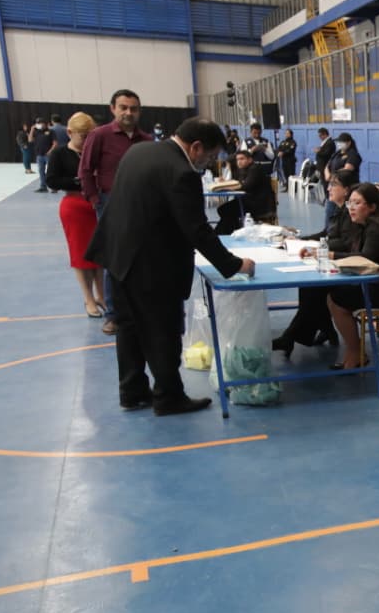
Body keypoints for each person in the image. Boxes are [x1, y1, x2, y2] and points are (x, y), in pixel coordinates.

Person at [85, 117, 255, 416]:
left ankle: (132, 390)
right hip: (151, 263)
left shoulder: (140, 151)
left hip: (118, 254)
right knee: (162, 330)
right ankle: (169, 397)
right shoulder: (181, 172)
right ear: (196, 147)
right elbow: (197, 229)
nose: (209, 163)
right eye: (211, 156)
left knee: (129, 329)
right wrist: (234, 264)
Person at [78, 89, 149, 336]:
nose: (129, 112)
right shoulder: (99, 136)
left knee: (141, 260)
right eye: (124, 107)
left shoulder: (146, 141)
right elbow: (85, 171)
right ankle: (113, 316)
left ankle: (140, 311)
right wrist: (96, 201)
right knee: (114, 261)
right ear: (113, 109)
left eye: (134, 108)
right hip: (109, 204)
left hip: (141, 206)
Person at [272, 168, 358, 356]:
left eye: (334, 184)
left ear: (346, 190)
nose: (329, 188)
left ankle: (290, 337)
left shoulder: (350, 213)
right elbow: (326, 234)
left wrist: (318, 247)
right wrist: (301, 240)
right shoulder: (337, 211)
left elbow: (345, 242)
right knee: (308, 285)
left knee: (313, 289)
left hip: (345, 265)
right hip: (332, 259)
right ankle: (327, 330)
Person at [327, 184, 379, 370]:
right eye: (350, 202)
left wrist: (331, 256)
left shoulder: (378, 228)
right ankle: (355, 349)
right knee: (332, 294)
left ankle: (355, 351)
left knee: (336, 299)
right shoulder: (365, 225)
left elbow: (366, 259)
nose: (351, 207)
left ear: (372, 207)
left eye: (357, 203)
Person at [47, 111, 105, 317]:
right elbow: (51, 181)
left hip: (97, 205)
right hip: (74, 207)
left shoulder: (96, 152)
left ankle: (102, 295)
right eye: (83, 136)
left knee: (101, 254)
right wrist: (78, 181)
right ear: (70, 133)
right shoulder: (59, 154)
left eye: (90, 136)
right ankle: (88, 298)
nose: (87, 140)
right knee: (81, 255)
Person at [214, 149, 274, 234]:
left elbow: (246, 186)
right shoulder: (244, 170)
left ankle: (220, 233)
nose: (239, 162)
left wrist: (229, 188)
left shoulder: (254, 169)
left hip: (258, 204)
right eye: (237, 159)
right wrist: (226, 183)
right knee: (224, 210)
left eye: (242, 159)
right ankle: (227, 231)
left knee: (226, 210)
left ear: (250, 160)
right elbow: (238, 183)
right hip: (248, 200)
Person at [32, 118, 54, 191]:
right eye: (38, 123)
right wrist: (32, 130)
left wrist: (50, 151)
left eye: (41, 123)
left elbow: (55, 143)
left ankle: (53, 187)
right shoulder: (36, 132)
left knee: (51, 171)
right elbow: (30, 140)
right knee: (41, 171)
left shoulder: (50, 131)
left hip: (48, 155)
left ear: (45, 123)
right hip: (39, 155)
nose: (40, 125)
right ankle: (43, 186)